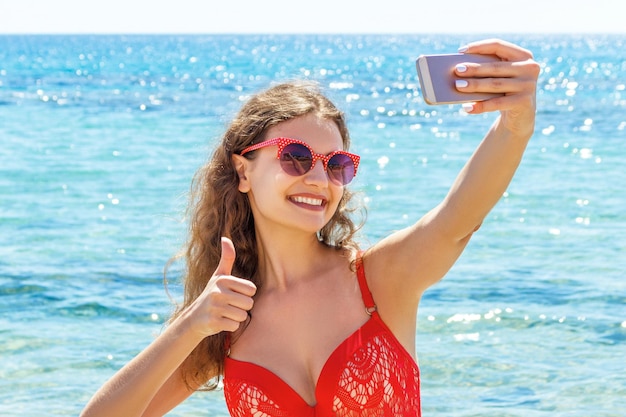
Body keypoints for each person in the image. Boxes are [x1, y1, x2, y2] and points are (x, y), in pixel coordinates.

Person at [80, 39, 539, 417]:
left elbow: (458, 219)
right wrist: (189, 328)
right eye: (295, 157)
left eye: (337, 164)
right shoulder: (224, 319)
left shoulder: (378, 279)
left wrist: (515, 125)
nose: (319, 179)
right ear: (243, 172)